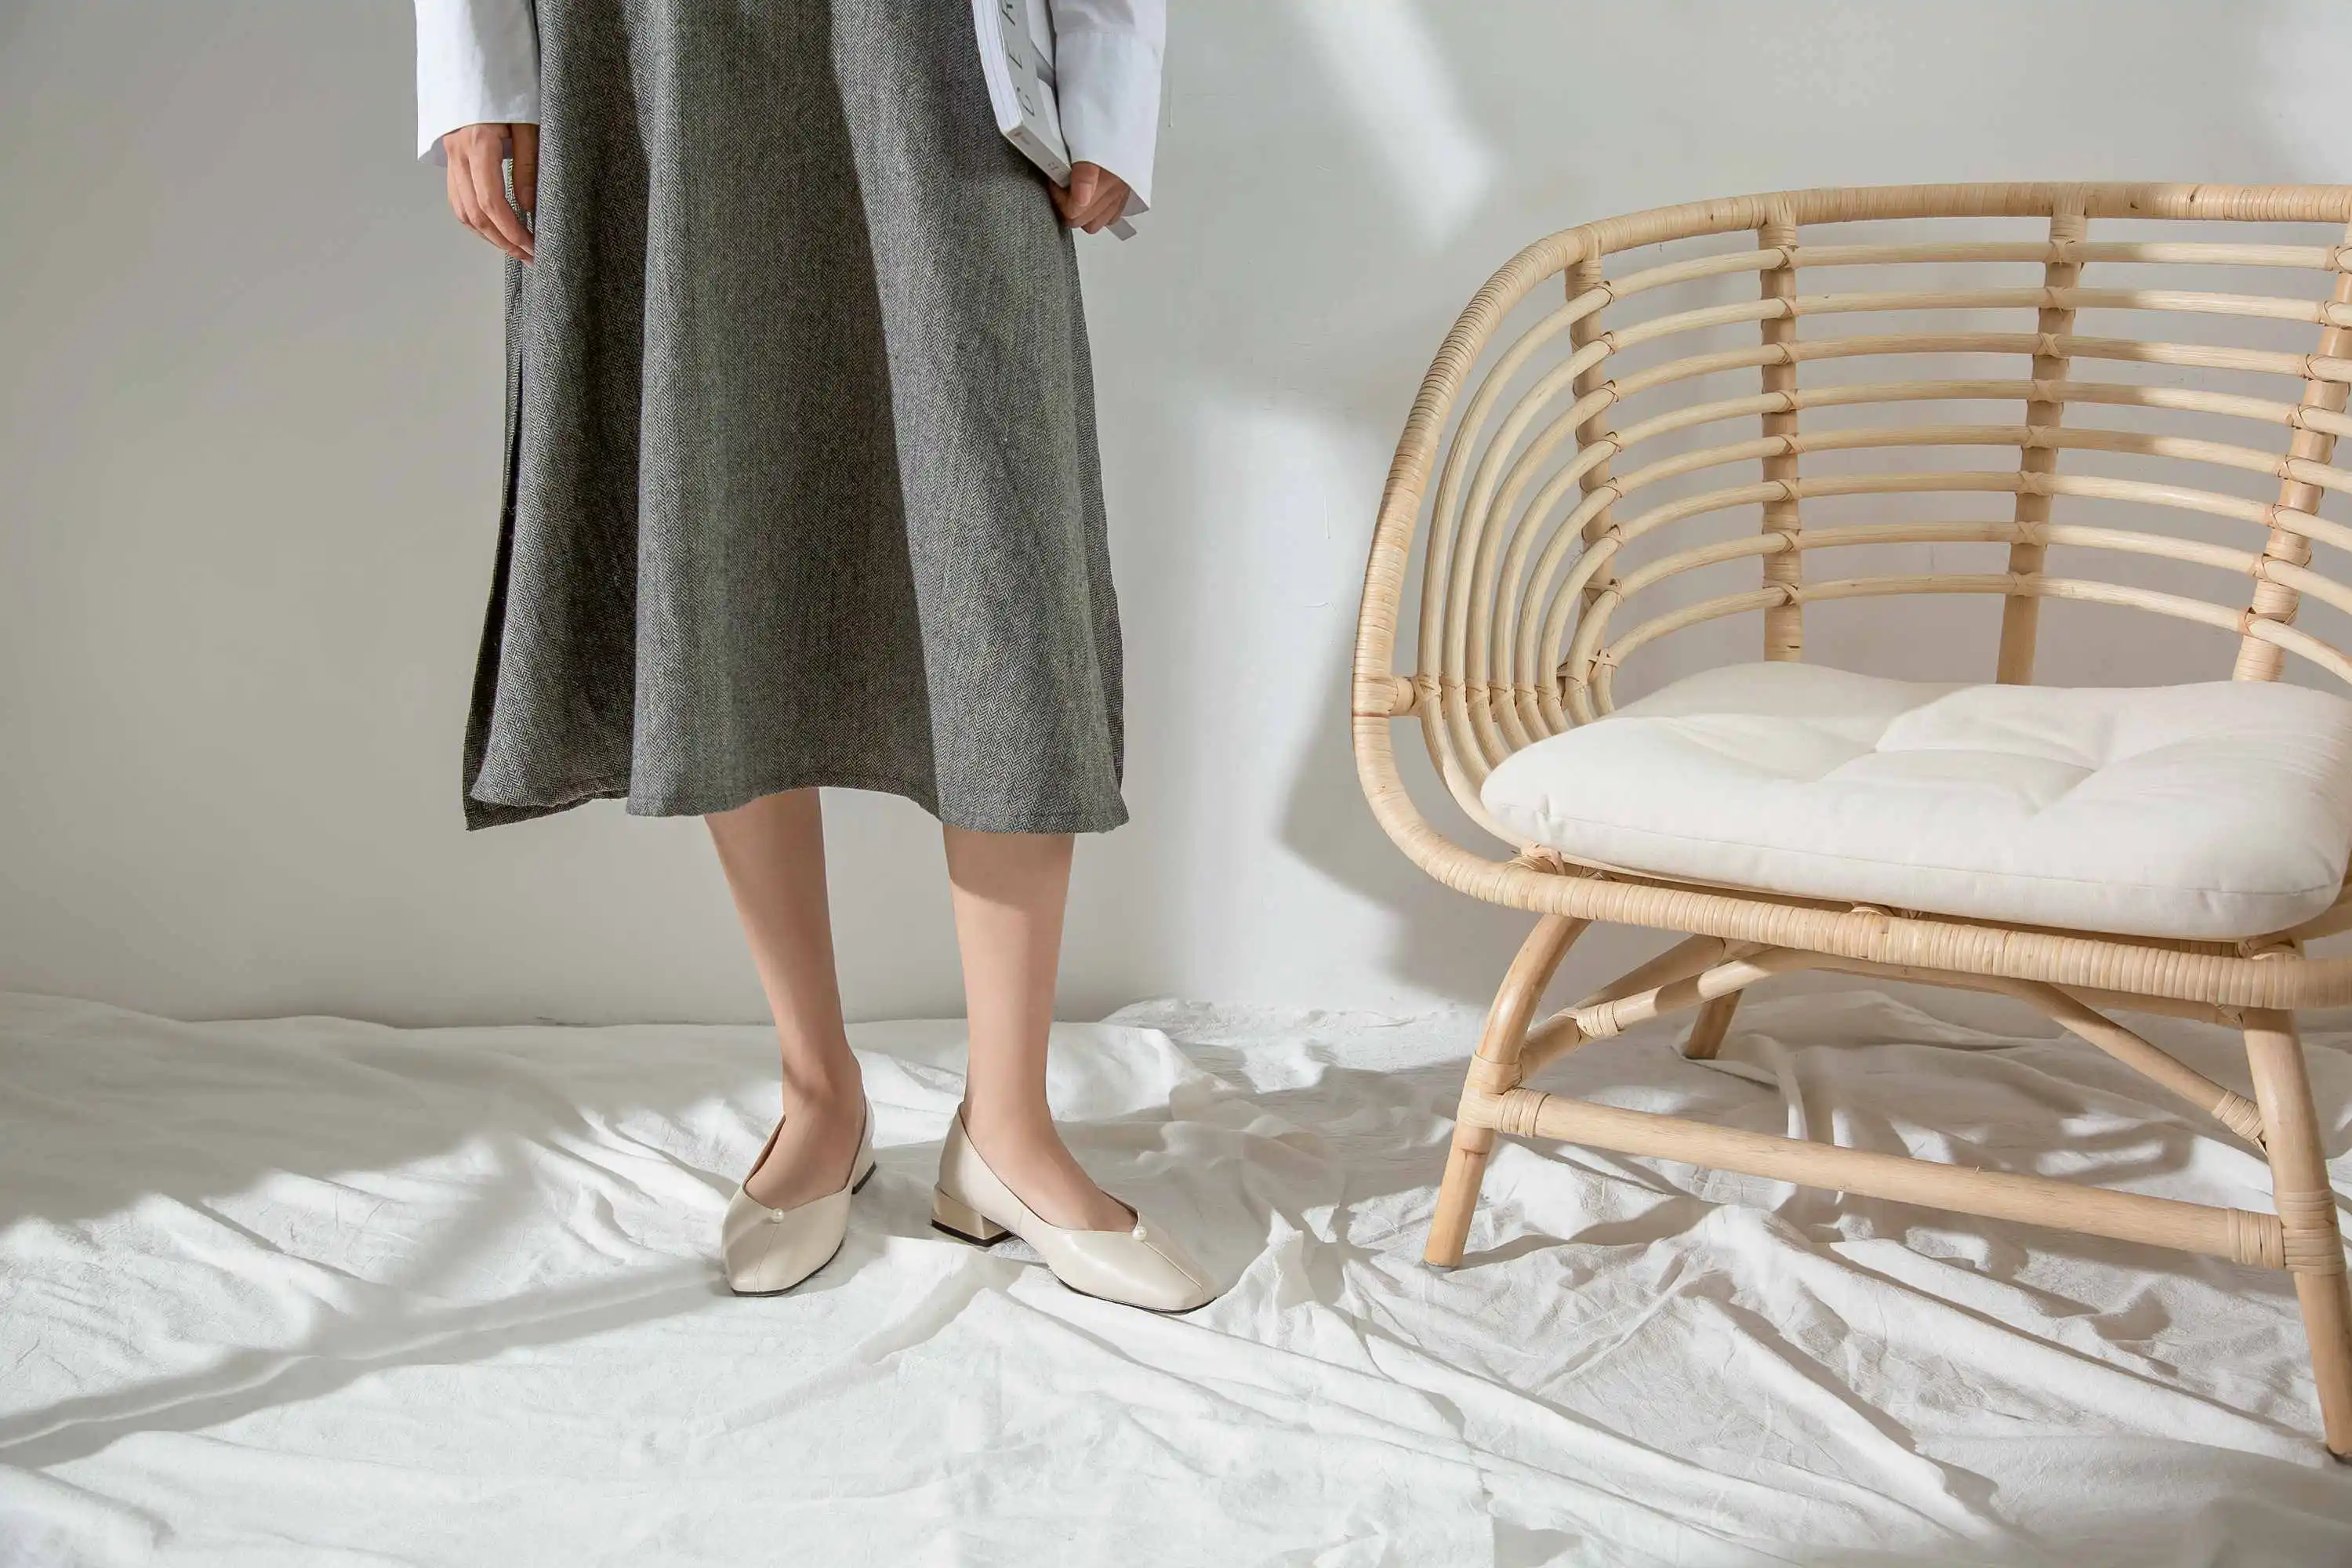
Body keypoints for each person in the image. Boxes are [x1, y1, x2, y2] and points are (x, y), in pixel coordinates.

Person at [414, 0, 1212, 1312]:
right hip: (650, 40)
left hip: (929, 39)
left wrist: (1112, 76)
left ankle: (1009, 1128)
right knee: (720, 528)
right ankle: (817, 1093)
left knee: (1000, 561)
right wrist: (474, 67)